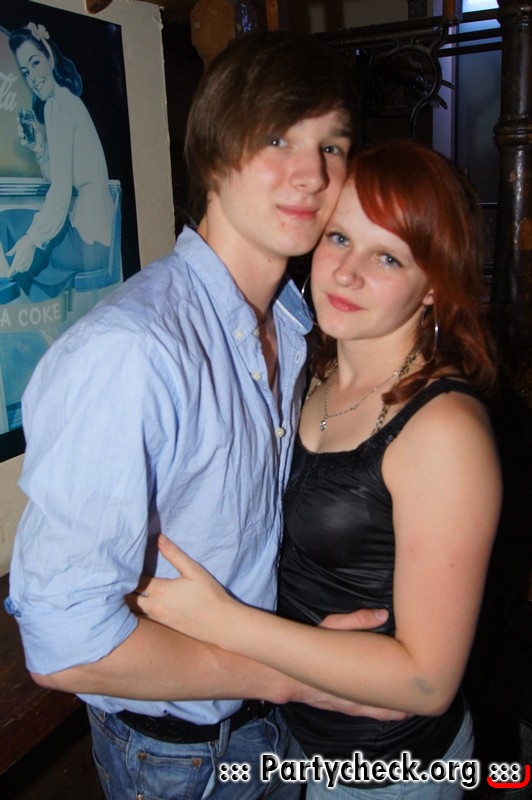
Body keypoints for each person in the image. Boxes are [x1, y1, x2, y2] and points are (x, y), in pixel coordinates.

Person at [6, 30, 397, 800]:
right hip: (180, 758)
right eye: (278, 137)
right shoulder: (133, 352)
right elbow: (63, 644)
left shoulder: (293, 323)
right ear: (215, 151)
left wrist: (297, 650)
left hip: (270, 724)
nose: (313, 173)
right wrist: (288, 675)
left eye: (332, 145)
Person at [129, 140, 503, 798]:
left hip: (387, 772)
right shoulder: (312, 369)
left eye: (387, 256)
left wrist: (224, 620)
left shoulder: (444, 432)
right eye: (339, 238)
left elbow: (427, 682)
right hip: (294, 740)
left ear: (433, 286)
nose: (346, 273)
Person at [0, 22, 114, 300]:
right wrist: (41, 150)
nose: (32, 77)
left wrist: (33, 239)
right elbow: (67, 177)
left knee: (6, 222)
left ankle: (19, 303)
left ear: (50, 57)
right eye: (25, 72)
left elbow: (61, 191)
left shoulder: (56, 106)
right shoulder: (68, 101)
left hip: (86, 243)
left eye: (35, 63)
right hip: (100, 240)